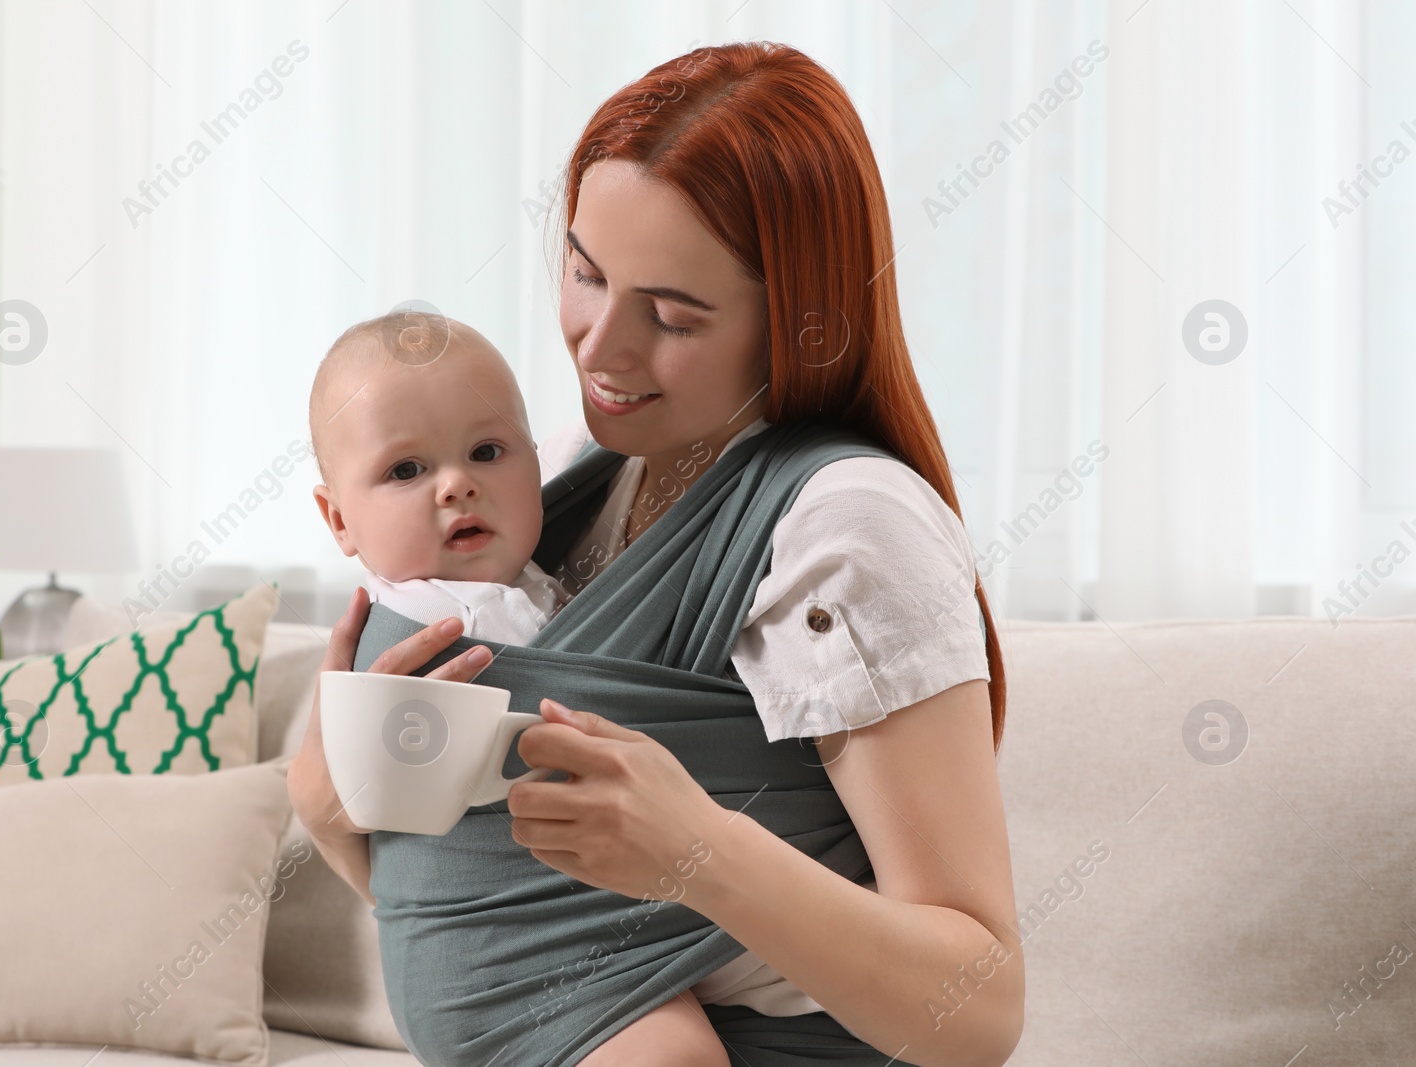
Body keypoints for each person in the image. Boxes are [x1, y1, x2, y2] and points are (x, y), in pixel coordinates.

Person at [290, 41, 1024, 1067]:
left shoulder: (848, 525)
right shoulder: (587, 483)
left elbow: (980, 1006)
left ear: (798, 322)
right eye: (585, 274)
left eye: (672, 314)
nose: (598, 349)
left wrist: (697, 850)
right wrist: (334, 816)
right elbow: (531, 929)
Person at [307, 310, 835, 1065]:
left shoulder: (536, 586)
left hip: (572, 945)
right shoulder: (414, 620)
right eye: (405, 470)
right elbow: (422, 846)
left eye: (487, 452)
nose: (456, 484)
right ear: (338, 520)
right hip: (498, 961)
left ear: (536, 464)